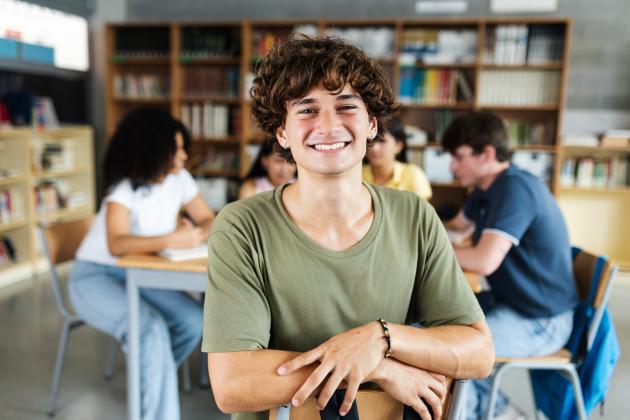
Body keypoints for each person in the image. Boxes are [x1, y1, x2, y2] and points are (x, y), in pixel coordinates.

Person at [202, 36, 494, 420]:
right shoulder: (241, 226)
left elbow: (478, 353)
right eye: (306, 109)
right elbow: (234, 384)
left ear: (372, 124)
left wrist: (380, 337)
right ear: (282, 133)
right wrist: (375, 366)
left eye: (346, 106)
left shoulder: (414, 216)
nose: (328, 124)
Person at [69, 108, 215, 420]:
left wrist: (198, 232)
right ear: (155, 150)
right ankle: (155, 405)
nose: (183, 155)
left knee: (192, 320)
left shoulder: (180, 179)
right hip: (95, 277)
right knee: (150, 331)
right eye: (175, 149)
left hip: (141, 274)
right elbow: (117, 243)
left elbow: (207, 218)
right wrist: (172, 239)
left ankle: (150, 378)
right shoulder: (124, 188)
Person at [441, 111, 579, 419]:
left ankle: (505, 415)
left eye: (458, 157)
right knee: (435, 325)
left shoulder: (514, 189)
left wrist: (432, 252)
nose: (452, 167)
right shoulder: (485, 190)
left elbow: (483, 261)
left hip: (542, 320)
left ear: (487, 153)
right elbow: (456, 229)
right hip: (514, 303)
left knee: (455, 353)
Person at [363, 116, 432, 200]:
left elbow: (421, 212)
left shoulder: (414, 175)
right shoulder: (357, 174)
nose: (374, 148)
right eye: (371, 140)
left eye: (382, 141)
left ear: (398, 145)